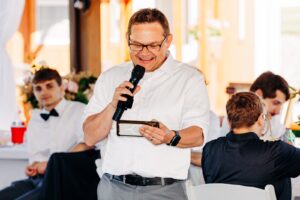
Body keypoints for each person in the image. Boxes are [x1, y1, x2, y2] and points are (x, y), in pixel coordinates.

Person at [83, 8, 210, 200]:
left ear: (168, 41)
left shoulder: (189, 79)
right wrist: (112, 106)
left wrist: (170, 136)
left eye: (153, 45)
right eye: (136, 45)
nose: (144, 53)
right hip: (113, 188)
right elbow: (90, 137)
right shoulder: (110, 77)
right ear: (127, 38)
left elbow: (198, 134)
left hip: (164, 190)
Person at [0, 68, 89, 200]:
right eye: (38, 88)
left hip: (63, 181)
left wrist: (49, 165)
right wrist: (34, 166)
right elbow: (35, 154)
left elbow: (87, 143)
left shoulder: (79, 110)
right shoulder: (34, 117)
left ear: (61, 87)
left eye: (49, 86)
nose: (44, 92)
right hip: (35, 180)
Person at [202, 92, 300, 200]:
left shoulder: (210, 150)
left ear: (229, 122)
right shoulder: (277, 152)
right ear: (260, 120)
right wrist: (290, 150)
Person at [220, 71, 290, 141]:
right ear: (259, 94)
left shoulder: (273, 119)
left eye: (281, 105)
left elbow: (283, 134)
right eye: (275, 103)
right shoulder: (234, 117)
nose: (278, 111)